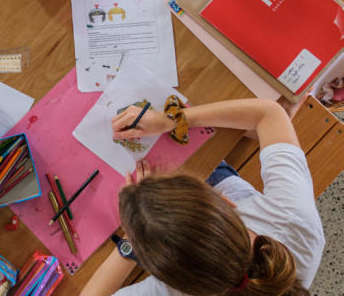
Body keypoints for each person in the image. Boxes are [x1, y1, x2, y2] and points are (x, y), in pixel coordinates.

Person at [81, 98, 325, 296]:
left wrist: (131, 242)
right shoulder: (296, 222)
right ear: (227, 202)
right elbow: (270, 114)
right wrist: (173, 120)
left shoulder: (173, 289)